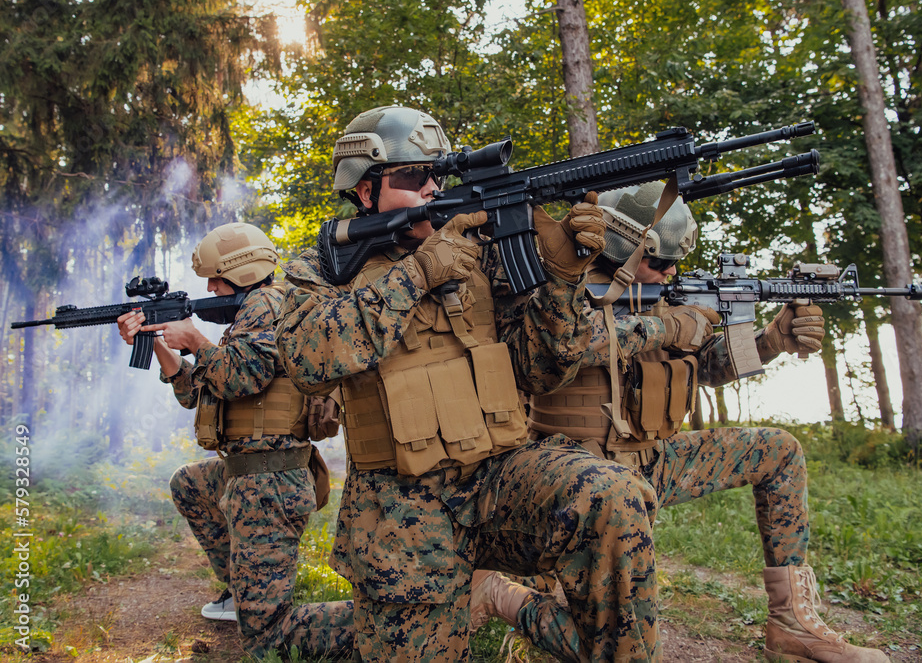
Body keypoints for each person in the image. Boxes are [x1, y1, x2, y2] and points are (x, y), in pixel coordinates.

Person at [275, 105, 661, 661]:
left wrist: (564, 280)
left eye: (439, 174)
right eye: (412, 177)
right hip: (400, 513)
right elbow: (308, 360)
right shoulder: (321, 269)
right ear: (364, 192)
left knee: (612, 494)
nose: (432, 188)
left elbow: (545, 369)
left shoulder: (484, 257)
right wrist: (421, 271)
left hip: (501, 478)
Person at [474, 181, 890, 662]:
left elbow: (705, 366)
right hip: (572, 470)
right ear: (623, 250)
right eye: (659, 261)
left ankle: (791, 622)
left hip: (654, 459)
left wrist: (773, 340)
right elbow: (558, 353)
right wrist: (668, 324)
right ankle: (505, 596)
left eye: (676, 262)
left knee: (779, 450)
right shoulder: (559, 287)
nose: (671, 271)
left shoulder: (663, 295)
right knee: (618, 643)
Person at [116, 223, 353, 659]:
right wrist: (159, 344)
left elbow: (245, 376)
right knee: (188, 483)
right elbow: (196, 392)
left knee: (266, 638)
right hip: (251, 475)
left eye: (216, 279)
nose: (208, 288)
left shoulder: (269, 303)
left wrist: (194, 339)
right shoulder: (247, 317)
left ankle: (396, 621)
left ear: (243, 273)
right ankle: (242, 591)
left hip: (269, 485)